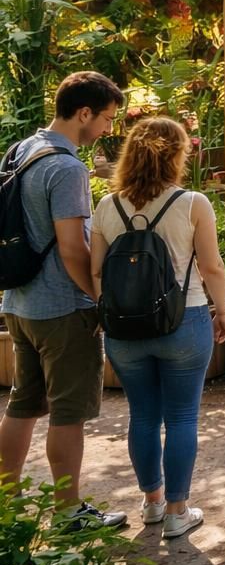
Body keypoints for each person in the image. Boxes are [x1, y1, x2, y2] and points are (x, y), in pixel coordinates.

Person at [90, 117, 225, 538]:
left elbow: (97, 272)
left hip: (123, 330)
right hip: (183, 320)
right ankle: (177, 512)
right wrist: (222, 312)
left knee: (143, 416)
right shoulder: (192, 203)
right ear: (178, 156)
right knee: (183, 416)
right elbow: (211, 267)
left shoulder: (106, 206)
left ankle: (151, 503)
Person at [0, 71, 126, 529]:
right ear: (84, 113)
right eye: (107, 120)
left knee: (23, 404)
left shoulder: (23, 149)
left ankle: (8, 506)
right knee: (68, 413)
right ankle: (69, 512)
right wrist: (98, 299)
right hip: (61, 307)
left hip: (19, 301)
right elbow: (73, 247)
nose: (109, 130)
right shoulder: (68, 167)